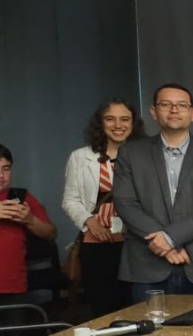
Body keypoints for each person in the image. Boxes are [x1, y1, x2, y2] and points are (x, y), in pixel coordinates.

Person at [112, 82, 193, 298]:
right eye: (166, 104)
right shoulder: (131, 152)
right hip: (147, 264)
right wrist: (165, 243)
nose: (174, 110)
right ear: (153, 112)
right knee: (149, 330)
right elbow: (125, 203)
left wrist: (170, 237)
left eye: (181, 105)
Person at [61, 97, 144, 316]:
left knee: (134, 307)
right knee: (103, 308)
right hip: (96, 243)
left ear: (133, 123)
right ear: (100, 123)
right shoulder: (80, 157)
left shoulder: (145, 156)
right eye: (110, 119)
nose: (118, 125)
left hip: (133, 242)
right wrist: (90, 222)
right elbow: (70, 200)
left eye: (125, 119)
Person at [0, 144, 58, 304]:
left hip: (13, 287)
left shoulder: (21, 197)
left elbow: (51, 233)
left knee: (14, 329)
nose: (1, 175)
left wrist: (30, 220)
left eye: (6, 168)